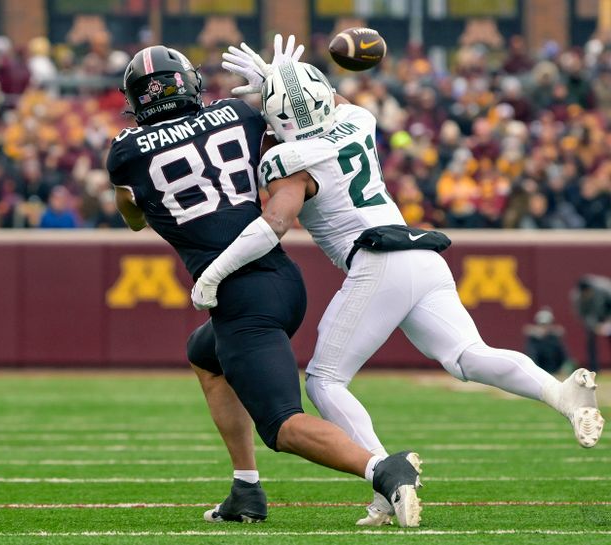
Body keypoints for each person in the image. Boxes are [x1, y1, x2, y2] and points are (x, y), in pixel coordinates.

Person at [191, 54, 605, 526]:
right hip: (422, 255)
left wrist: (215, 272)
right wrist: (284, 80)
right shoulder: (358, 119)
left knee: (326, 382)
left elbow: (275, 223)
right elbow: (332, 102)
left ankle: (388, 480)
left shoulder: (288, 159)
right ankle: (561, 396)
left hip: (378, 259)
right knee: (468, 355)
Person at [108, 42, 423, 527]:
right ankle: (246, 489)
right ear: (188, 83)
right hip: (280, 280)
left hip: (239, 295)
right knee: (205, 355)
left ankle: (382, 468)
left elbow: (132, 217)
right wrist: (282, 79)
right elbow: (301, 120)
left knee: (281, 425)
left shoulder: (126, 152)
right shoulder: (236, 113)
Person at [572, 275, 611, 373]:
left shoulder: (604, 289)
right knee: (590, 341)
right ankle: (594, 368)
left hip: (607, 311)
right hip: (593, 318)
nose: (587, 294)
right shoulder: (577, 298)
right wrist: (594, 326)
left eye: (588, 292)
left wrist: (608, 322)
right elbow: (582, 315)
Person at [524, 307, 570, 374]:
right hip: (539, 372)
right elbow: (532, 357)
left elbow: (564, 357)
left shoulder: (555, 339)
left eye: (547, 324)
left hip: (555, 372)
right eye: (542, 324)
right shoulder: (533, 340)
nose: (544, 327)